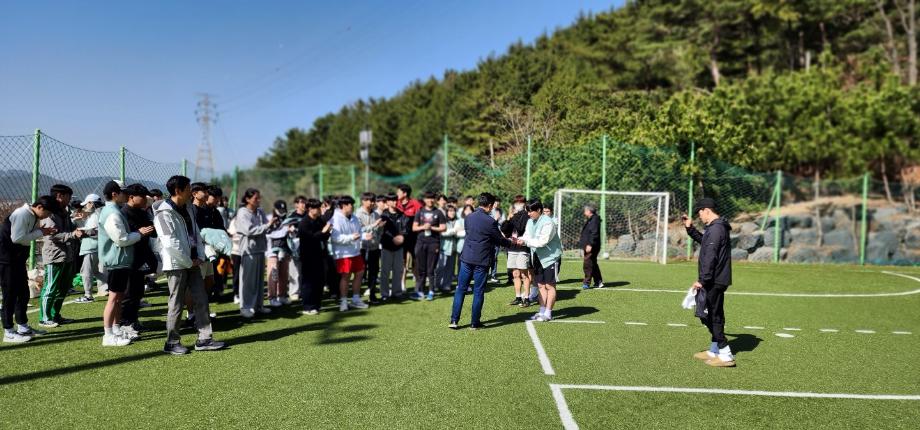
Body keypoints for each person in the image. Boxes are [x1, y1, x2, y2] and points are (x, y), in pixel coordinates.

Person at [153, 175, 225, 355]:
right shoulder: (163, 213)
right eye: (188, 188)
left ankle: (205, 339)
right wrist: (188, 261)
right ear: (178, 191)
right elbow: (170, 243)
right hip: (176, 264)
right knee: (176, 303)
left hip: (194, 262)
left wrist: (199, 255)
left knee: (201, 299)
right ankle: (172, 342)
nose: (191, 192)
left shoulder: (189, 208)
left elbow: (196, 234)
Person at [98, 180, 153, 346]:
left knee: (118, 298)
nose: (126, 195)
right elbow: (121, 239)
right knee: (114, 298)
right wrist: (139, 233)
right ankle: (108, 335)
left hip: (121, 261)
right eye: (124, 192)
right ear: (114, 194)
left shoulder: (115, 210)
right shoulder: (112, 213)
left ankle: (116, 329)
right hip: (116, 260)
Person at [449, 193, 513, 330]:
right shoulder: (490, 221)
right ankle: (474, 322)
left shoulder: (468, 217)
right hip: (482, 260)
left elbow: (470, 234)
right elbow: (499, 240)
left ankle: (454, 320)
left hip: (466, 258)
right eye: (492, 206)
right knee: (478, 292)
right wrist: (512, 243)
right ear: (489, 205)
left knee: (460, 289)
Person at [684, 198, 735, 367]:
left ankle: (725, 354)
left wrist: (702, 280)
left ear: (707, 210)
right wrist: (690, 229)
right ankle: (714, 350)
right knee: (709, 314)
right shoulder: (715, 228)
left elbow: (710, 257)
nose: (700, 216)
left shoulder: (716, 229)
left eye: (700, 213)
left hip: (713, 279)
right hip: (715, 279)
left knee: (712, 315)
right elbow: (705, 242)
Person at [1, 196, 57, 343]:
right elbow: (17, 238)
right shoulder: (22, 214)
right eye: (47, 213)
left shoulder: (31, 215)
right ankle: (8, 331)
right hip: (7, 260)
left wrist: (40, 231)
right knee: (9, 295)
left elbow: (23, 235)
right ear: (40, 207)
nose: (47, 216)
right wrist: (41, 232)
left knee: (23, 293)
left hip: (17, 260)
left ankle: (23, 327)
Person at [37, 184, 85, 327]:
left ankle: (55, 315)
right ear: (59, 196)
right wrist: (72, 234)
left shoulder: (64, 211)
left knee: (63, 288)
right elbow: (51, 235)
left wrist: (81, 230)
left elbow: (69, 230)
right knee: (50, 287)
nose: (70, 199)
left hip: (67, 255)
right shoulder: (49, 212)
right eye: (68, 196)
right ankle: (44, 318)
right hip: (54, 256)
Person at [233, 188, 279, 318]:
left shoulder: (260, 211)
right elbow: (249, 230)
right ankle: (245, 307)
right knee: (248, 281)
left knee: (259, 281)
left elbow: (266, 227)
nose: (259, 200)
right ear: (248, 199)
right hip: (248, 251)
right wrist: (267, 225)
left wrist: (273, 224)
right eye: (255, 198)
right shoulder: (242, 212)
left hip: (260, 249)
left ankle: (258, 306)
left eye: (259, 198)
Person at [120, 183, 157, 334]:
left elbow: (153, 231)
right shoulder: (123, 213)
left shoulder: (142, 212)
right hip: (129, 258)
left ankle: (133, 321)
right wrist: (139, 232)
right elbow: (123, 236)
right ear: (131, 197)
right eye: (142, 196)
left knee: (138, 292)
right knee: (128, 293)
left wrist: (151, 228)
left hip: (142, 257)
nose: (145, 199)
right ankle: (124, 323)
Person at [516, 199, 563, 322]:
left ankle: (548, 313)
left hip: (551, 258)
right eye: (527, 211)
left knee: (549, 286)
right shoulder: (530, 221)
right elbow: (527, 236)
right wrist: (519, 239)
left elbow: (542, 242)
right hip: (537, 257)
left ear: (539, 210)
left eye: (531, 211)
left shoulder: (548, 222)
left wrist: (525, 242)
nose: (529, 214)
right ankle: (542, 311)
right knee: (541, 285)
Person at [330, 196, 370, 311]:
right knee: (345, 276)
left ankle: (356, 299)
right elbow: (335, 238)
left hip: (355, 252)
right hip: (343, 254)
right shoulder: (335, 218)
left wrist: (364, 236)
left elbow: (358, 233)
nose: (352, 206)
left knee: (360, 273)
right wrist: (351, 237)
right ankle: (343, 302)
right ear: (343, 206)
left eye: (352, 204)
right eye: (350, 204)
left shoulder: (354, 218)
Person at [297, 198, 331, 315]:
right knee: (308, 281)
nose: (320, 210)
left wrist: (327, 231)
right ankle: (307, 306)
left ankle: (316, 305)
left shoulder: (319, 220)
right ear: (310, 209)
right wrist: (323, 232)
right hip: (308, 256)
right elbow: (311, 238)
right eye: (317, 208)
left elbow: (324, 236)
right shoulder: (304, 222)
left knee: (319, 280)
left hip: (320, 254)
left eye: (320, 207)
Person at [412, 191, 446, 301]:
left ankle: (431, 291)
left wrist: (431, 227)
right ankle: (421, 291)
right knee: (421, 269)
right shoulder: (420, 212)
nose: (430, 200)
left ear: (434, 200)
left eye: (432, 198)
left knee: (431, 269)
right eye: (428, 198)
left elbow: (443, 228)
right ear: (424, 199)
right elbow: (414, 228)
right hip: (421, 243)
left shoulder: (438, 212)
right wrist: (423, 227)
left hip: (433, 243)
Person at [501, 195, 533, 307]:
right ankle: (518, 297)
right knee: (515, 274)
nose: (518, 204)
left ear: (524, 204)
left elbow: (520, 228)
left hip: (523, 248)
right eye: (516, 202)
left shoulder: (527, 216)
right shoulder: (513, 215)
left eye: (520, 202)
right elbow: (505, 230)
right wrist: (508, 219)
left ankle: (527, 297)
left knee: (524, 274)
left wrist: (515, 217)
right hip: (512, 247)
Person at [74, 194, 105, 303]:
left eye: (86, 204)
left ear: (91, 203)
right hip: (94, 247)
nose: (85, 207)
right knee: (95, 271)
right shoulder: (98, 214)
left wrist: (81, 231)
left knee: (86, 271)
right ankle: (117, 286)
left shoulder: (96, 215)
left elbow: (95, 232)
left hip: (91, 247)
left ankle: (88, 295)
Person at [356, 192, 385, 304]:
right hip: (362, 248)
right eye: (369, 200)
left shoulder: (376, 214)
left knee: (374, 271)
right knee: (360, 273)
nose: (372, 203)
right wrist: (374, 225)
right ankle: (356, 296)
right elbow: (359, 230)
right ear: (363, 201)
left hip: (374, 247)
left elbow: (379, 231)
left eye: (373, 200)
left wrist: (380, 229)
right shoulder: (358, 214)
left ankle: (372, 295)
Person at [379, 194, 408, 300]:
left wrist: (402, 237)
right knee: (385, 271)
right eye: (391, 200)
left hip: (399, 247)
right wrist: (392, 239)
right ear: (387, 202)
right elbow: (382, 231)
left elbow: (405, 230)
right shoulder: (383, 215)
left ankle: (397, 292)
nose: (394, 202)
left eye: (396, 200)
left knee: (398, 270)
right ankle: (384, 294)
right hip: (386, 247)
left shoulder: (402, 215)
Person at [266, 200, 291, 307]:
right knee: (274, 274)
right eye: (280, 210)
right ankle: (272, 297)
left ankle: (282, 295)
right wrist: (284, 231)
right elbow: (268, 234)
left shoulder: (287, 219)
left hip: (285, 251)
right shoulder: (269, 218)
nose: (282, 212)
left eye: (283, 210)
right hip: (272, 252)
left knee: (284, 274)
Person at [395, 184, 421, 289]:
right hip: (400, 238)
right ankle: (402, 284)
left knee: (416, 260)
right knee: (402, 261)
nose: (397, 194)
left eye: (398, 192)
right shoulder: (396, 203)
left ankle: (418, 284)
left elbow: (420, 218)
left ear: (405, 193)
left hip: (414, 238)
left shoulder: (415, 204)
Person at [436, 205, 461, 293]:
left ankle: (446, 285)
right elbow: (442, 233)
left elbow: (459, 232)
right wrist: (453, 231)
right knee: (440, 268)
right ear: (447, 212)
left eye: (453, 211)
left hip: (453, 249)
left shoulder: (457, 221)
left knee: (450, 269)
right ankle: (437, 284)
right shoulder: (443, 221)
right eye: (450, 211)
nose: (452, 212)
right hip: (444, 248)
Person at [578, 204, 603, 289]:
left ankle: (587, 282)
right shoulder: (592, 219)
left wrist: (590, 244)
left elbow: (594, 233)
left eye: (585, 210)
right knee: (593, 263)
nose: (584, 212)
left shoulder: (594, 220)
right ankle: (598, 281)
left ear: (589, 211)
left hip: (592, 246)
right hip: (590, 245)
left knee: (587, 264)